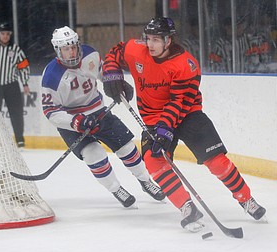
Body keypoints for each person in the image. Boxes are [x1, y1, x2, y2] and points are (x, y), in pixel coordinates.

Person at [102, 17, 266, 232]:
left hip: (187, 113)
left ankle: (246, 199)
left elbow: (179, 102)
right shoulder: (137, 50)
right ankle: (187, 207)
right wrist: (112, 74)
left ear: (168, 40)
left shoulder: (186, 65)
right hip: (153, 119)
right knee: (153, 161)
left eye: (156, 40)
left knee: (216, 161)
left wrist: (166, 129)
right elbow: (116, 52)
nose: (150, 44)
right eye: (148, 39)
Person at [40, 26, 165, 208]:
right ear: (58, 50)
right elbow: (51, 111)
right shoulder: (51, 76)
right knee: (94, 154)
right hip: (73, 122)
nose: (72, 52)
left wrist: (116, 83)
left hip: (99, 112)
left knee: (126, 147)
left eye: (73, 46)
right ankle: (116, 188)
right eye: (66, 49)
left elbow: (103, 73)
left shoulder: (90, 54)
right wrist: (76, 122)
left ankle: (145, 181)